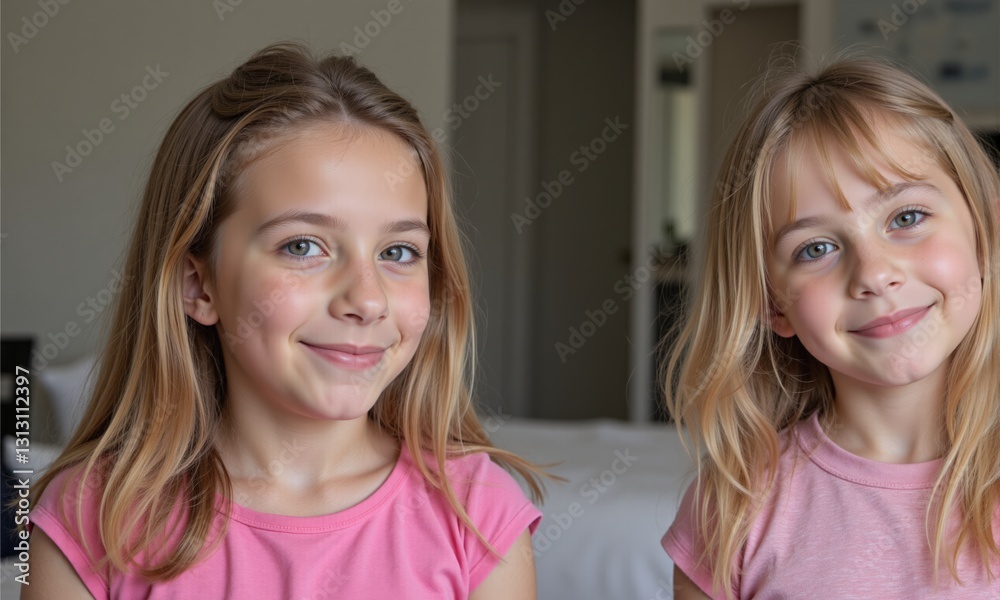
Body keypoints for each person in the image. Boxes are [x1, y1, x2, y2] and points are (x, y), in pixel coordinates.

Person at [24, 42, 547, 599]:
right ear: (197, 284)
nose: (367, 301)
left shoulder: (477, 516)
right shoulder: (90, 522)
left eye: (398, 252)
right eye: (303, 246)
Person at [661, 54, 1000, 599]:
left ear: (985, 232)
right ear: (773, 303)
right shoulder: (732, 506)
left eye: (906, 217)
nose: (874, 273)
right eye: (816, 248)